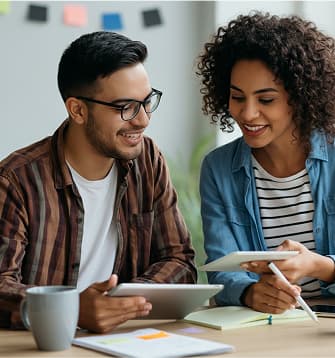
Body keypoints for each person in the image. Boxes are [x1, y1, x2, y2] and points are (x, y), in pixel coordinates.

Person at [0, 31, 197, 332]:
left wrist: (122, 303)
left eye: (147, 102)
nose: (143, 119)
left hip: (124, 340)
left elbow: (179, 259)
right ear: (78, 110)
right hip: (44, 347)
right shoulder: (17, 180)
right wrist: (73, 310)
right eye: (125, 107)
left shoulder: (147, 161)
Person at [196, 12, 335, 314]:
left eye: (266, 100)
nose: (247, 114)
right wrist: (249, 293)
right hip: (268, 324)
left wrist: (320, 266)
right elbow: (222, 271)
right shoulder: (218, 170)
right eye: (237, 97)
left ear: (298, 96)